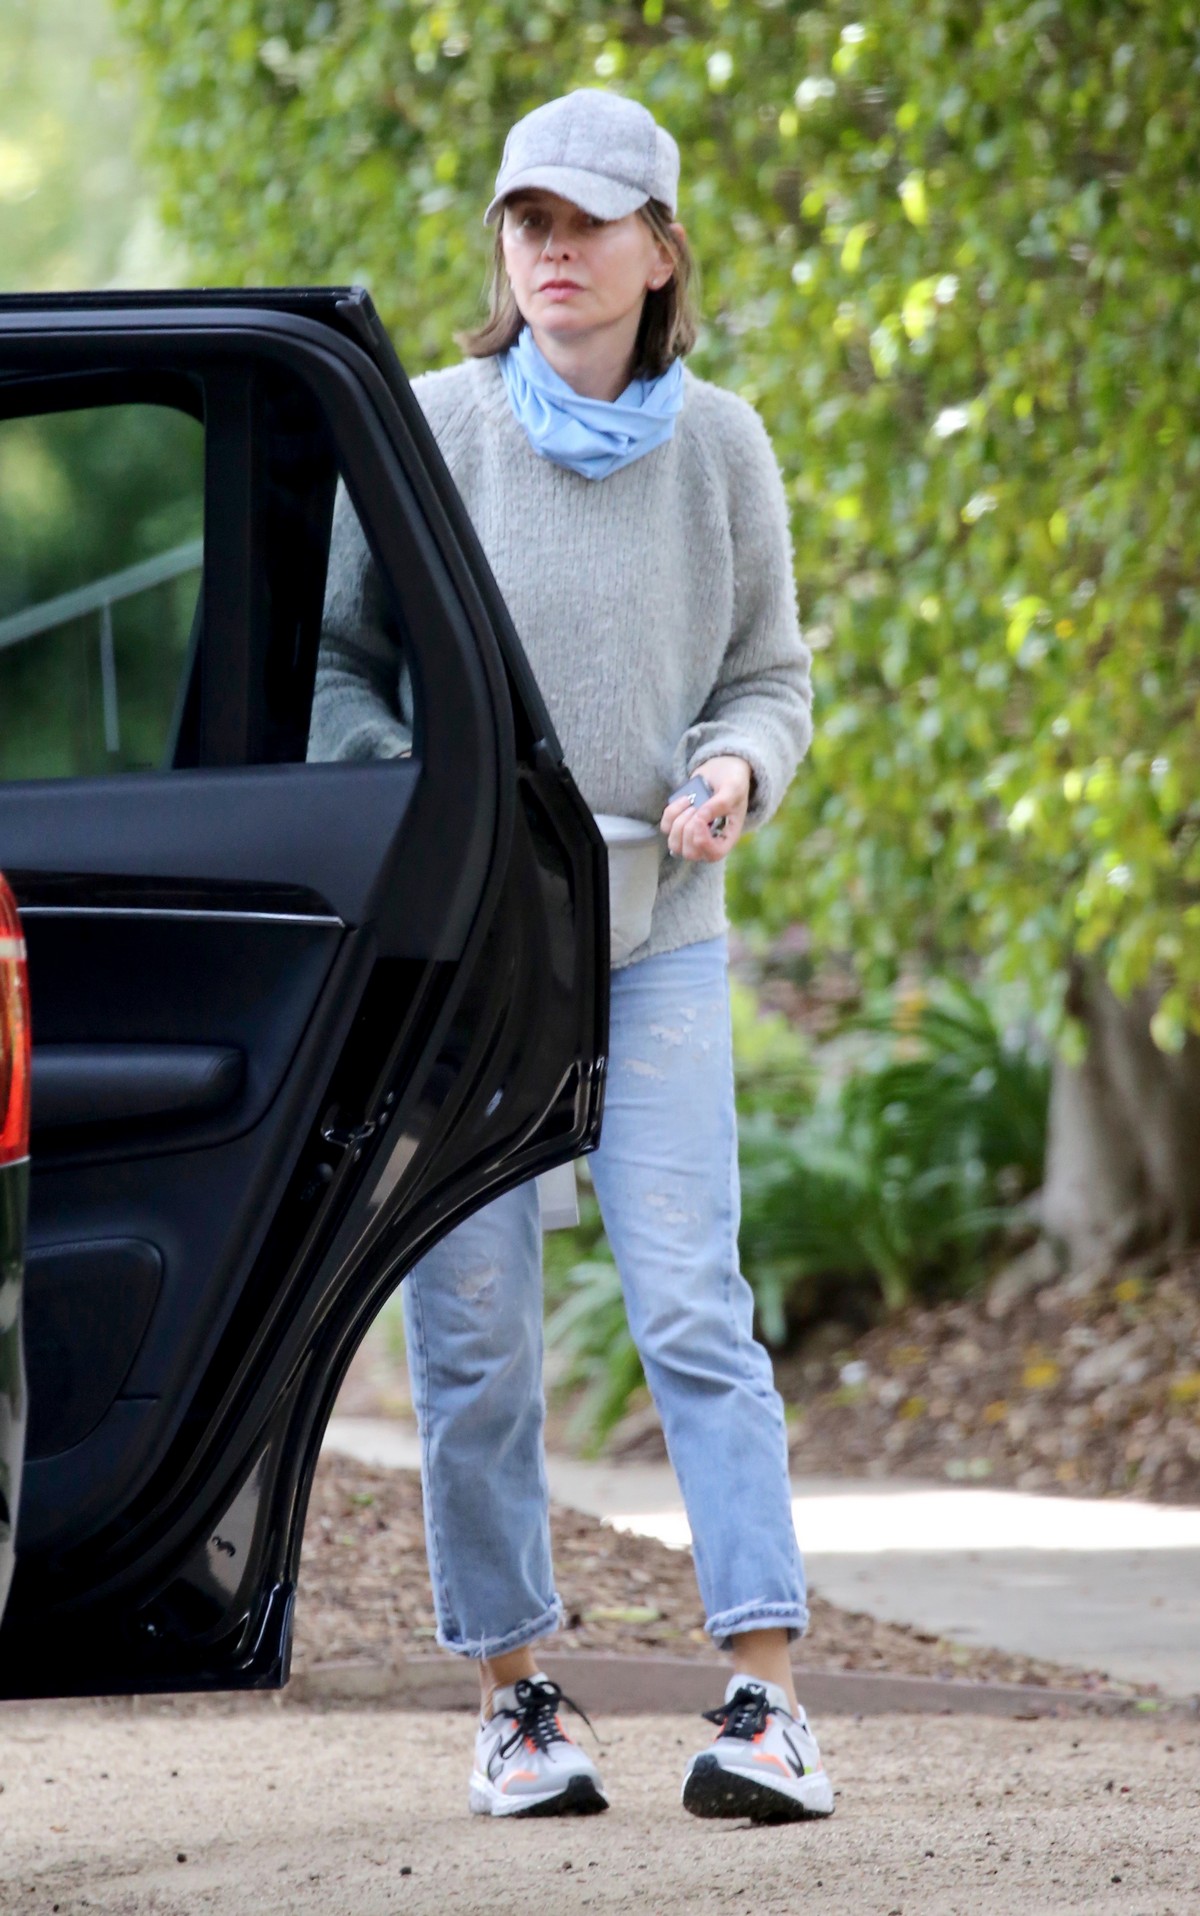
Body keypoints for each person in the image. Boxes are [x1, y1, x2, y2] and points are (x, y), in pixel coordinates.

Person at [310, 87, 834, 1826]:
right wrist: (413, 797)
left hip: (662, 940)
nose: (548, 247)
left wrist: (735, 768)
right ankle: (516, 1697)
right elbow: (339, 672)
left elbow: (770, 674)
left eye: (585, 221)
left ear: (659, 252)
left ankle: (764, 1701)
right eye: (525, 219)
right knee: (475, 1334)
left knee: (694, 1309)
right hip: (478, 960)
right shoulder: (430, 431)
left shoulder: (727, 451)